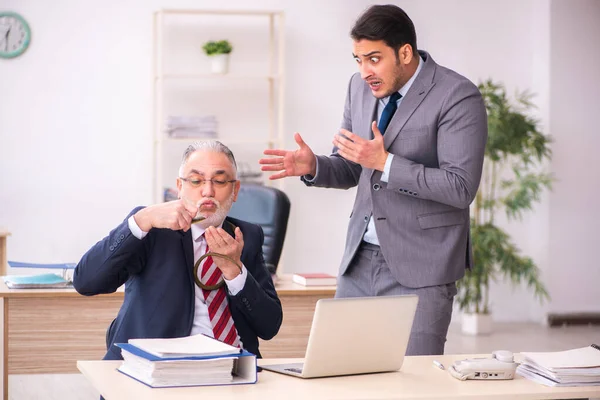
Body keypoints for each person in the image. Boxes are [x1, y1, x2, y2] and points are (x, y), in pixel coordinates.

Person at [259, 5, 487, 355]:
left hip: (422, 267)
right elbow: (353, 167)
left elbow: (460, 187)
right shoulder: (359, 87)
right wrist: (314, 166)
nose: (365, 71)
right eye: (358, 59)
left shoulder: (457, 96)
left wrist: (386, 162)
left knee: (412, 382)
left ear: (405, 52)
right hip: (359, 260)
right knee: (340, 371)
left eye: (374, 58)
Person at [74, 140, 283, 361]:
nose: (208, 190)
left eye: (220, 181)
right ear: (179, 187)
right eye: (195, 180)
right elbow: (86, 282)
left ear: (235, 190)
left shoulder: (246, 235)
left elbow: (269, 326)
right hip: (158, 366)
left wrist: (236, 273)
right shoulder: (152, 228)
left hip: (233, 369)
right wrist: (140, 220)